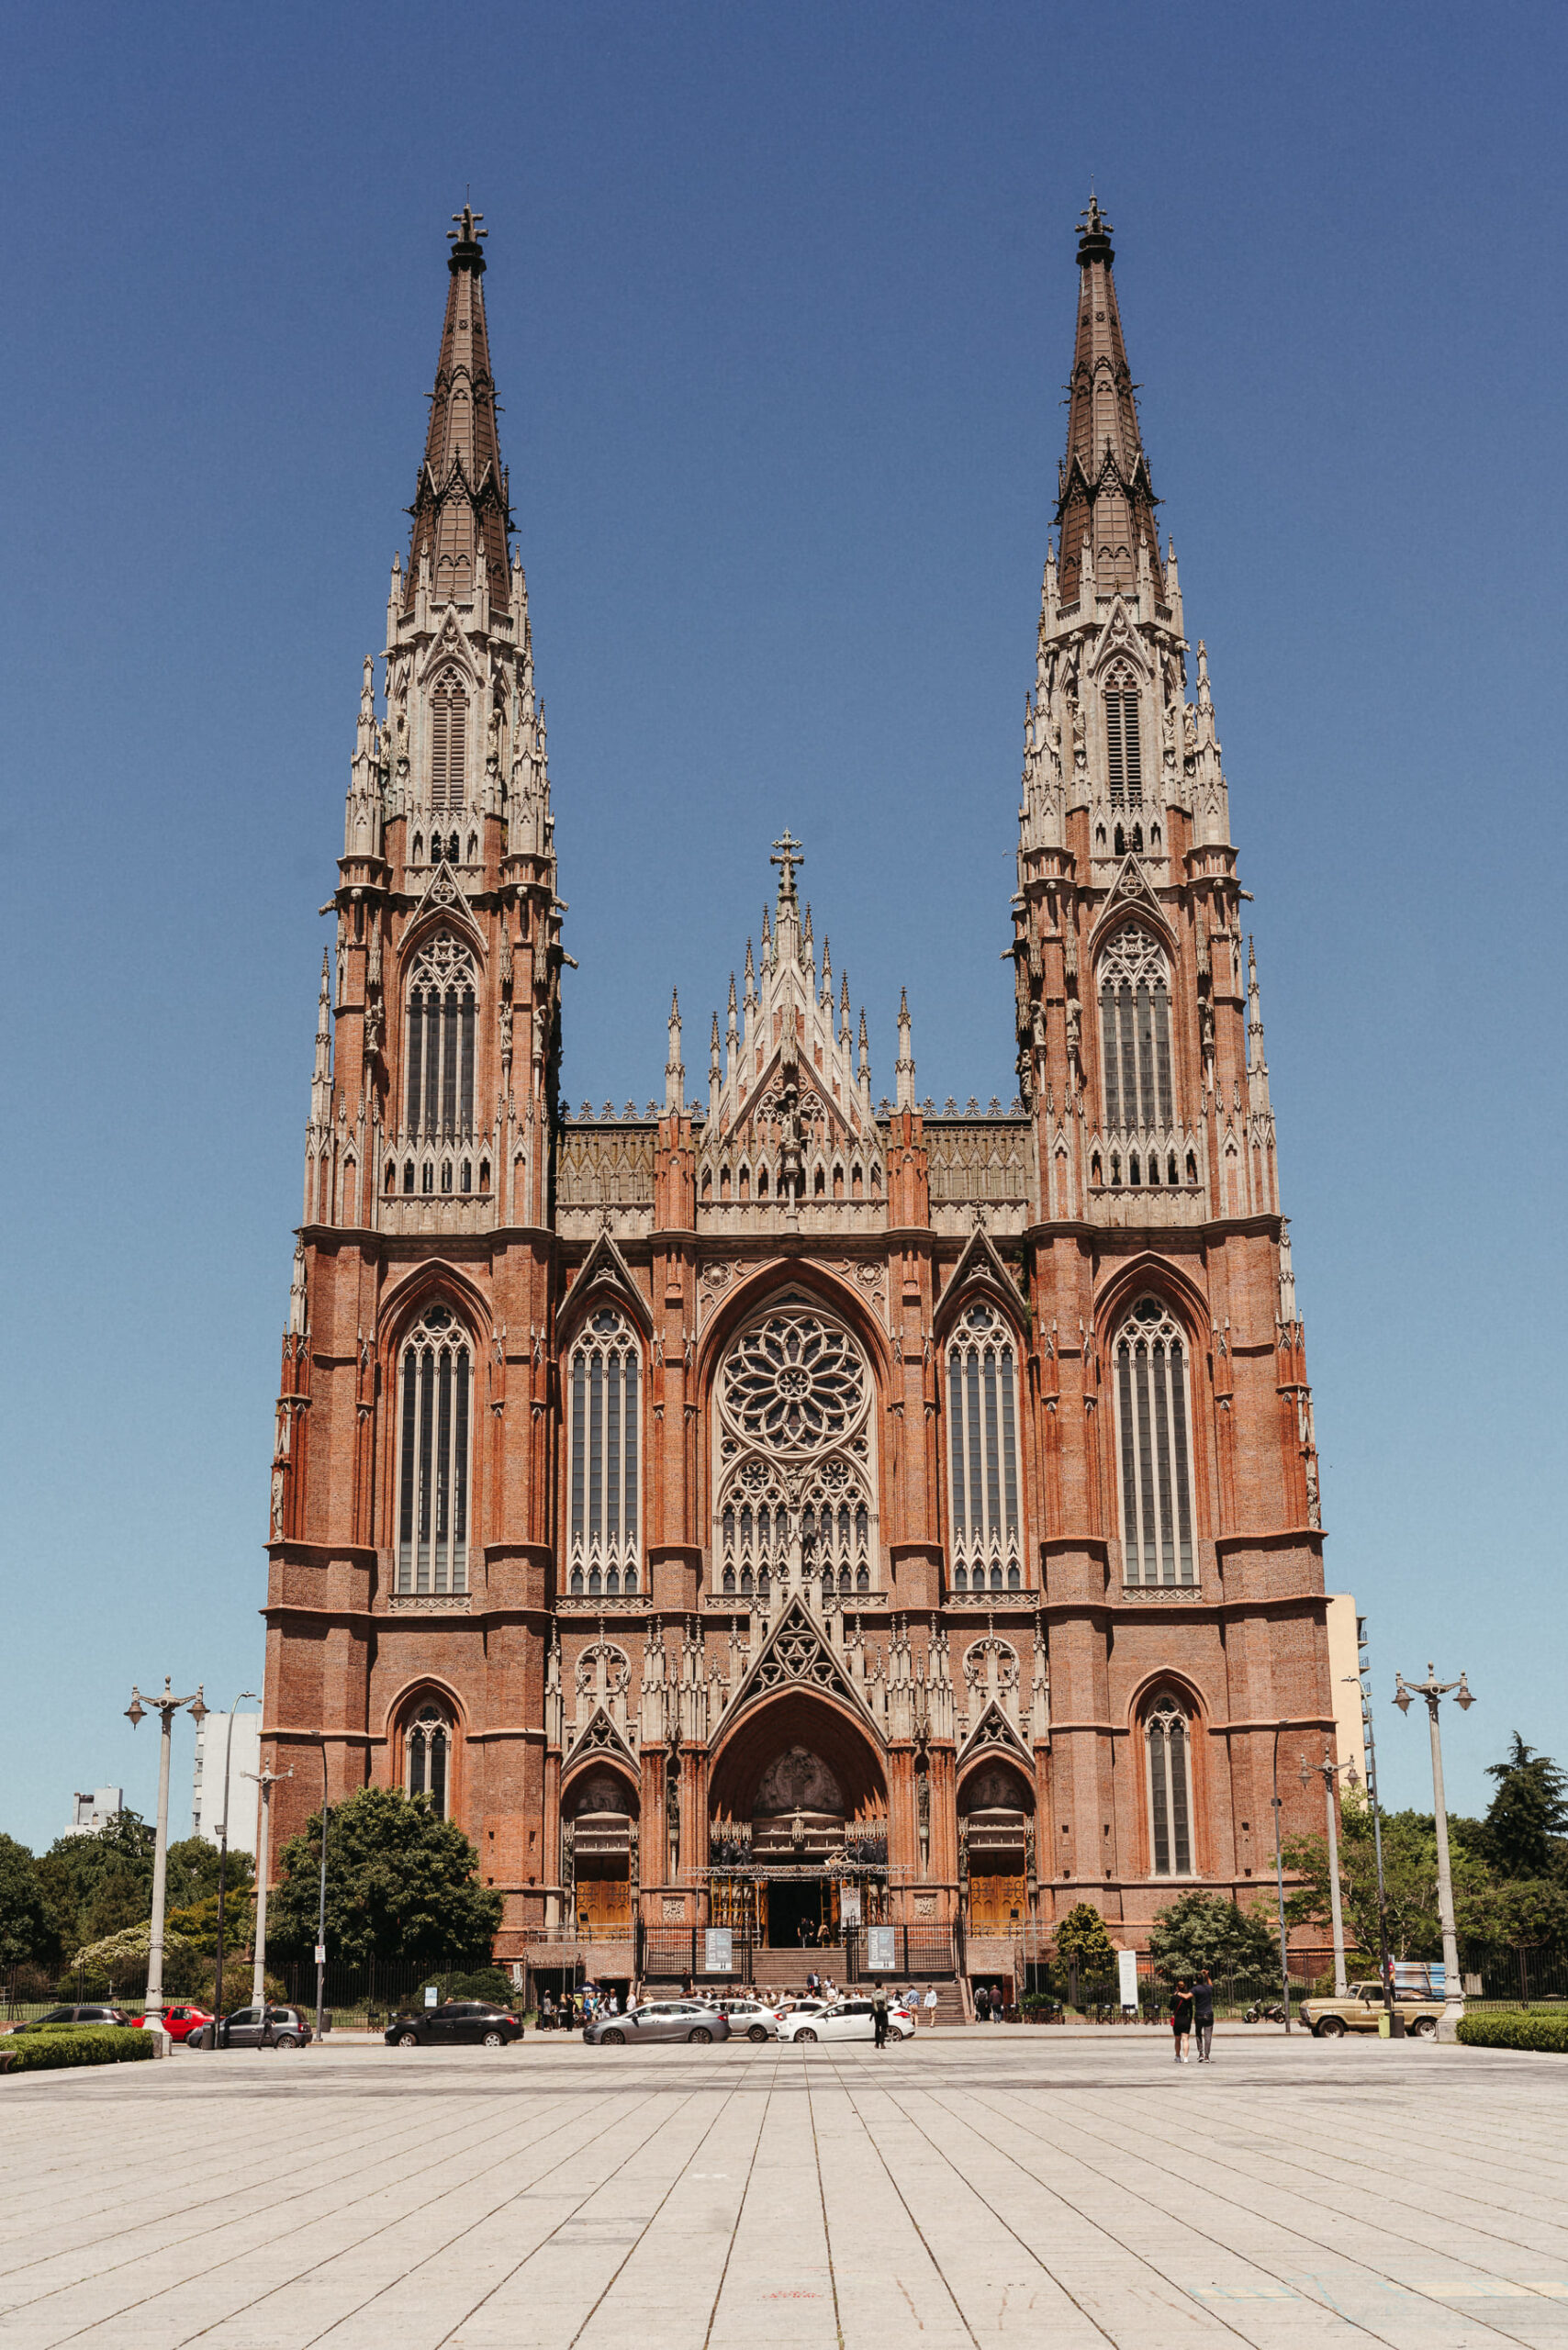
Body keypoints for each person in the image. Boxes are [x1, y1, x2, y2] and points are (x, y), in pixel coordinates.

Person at [1193, 1969, 1215, 2062]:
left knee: (1198, 2033)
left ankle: (1200, 2053)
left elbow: (1188, 1996)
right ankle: (1207, 2056)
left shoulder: (1195, 1989)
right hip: (1209, 2014)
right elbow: (1211, 1984)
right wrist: (1207, 1975)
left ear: (1196, 1981)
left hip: (1199, 2014)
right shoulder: (1208, 1988)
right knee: (1208, 2036)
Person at [1170, 1978, 1193, 2064]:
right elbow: (1191, 2010)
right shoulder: (1188, 1998)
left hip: (1177, 2020)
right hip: (1186, 2019)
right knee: (1185, 2039)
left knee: (1177, 2039)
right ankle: (1186, 2058)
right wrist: (1190, 2019)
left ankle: (1177, 2056)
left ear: (1177, 1988)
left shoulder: (1174, 1997)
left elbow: (1170, 2007)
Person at [873, 1986, 890, 2050]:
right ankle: (882, 2043)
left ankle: (877, 2044)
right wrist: (885, 1990)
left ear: (875, 1986)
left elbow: (872, 2002)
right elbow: (887, 1999)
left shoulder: (873, 1993)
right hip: (883, 2011)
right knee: (884, 2027)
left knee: (877, 2027)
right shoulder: (884, 1993)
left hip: (876, 2011)